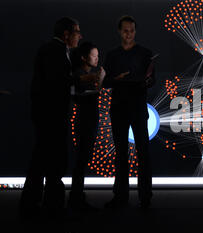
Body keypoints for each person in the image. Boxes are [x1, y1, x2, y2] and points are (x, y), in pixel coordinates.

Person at [20, 17, 98, 216]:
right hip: (50, 117)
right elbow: (56, 82)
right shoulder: (54, 51)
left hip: (48, 115)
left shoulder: (56, 51)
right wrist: (82, 78)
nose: (80, 36)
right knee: (52, 161)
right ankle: (50, 206)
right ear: (66, 34)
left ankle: (38, 204)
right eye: (77, 31)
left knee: (44, 160)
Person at [103, 15, 155, 209]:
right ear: (119, 31)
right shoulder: (112, 55)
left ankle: (145, 196)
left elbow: (152, 79)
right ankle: (121, 196)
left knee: (143, 153)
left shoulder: (145, 53)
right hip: (118, 108)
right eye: (125, 30)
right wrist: (118, 79)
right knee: (121, 154)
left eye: (132, 30)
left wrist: (147, 81)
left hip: (138, 107)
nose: (129, 34)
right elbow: (105, 82)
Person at [68, 42, 106, 211]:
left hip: (90, 119)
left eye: (98, 55)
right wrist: (100, 80)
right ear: (84, 57)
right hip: (84, 120)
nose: (97, 58)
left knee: (83, 158)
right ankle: (76, 198)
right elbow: (79, 95)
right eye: (93, 55)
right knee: (82, 159)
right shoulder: (79, 74)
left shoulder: (90, 73)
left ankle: (77, 196)